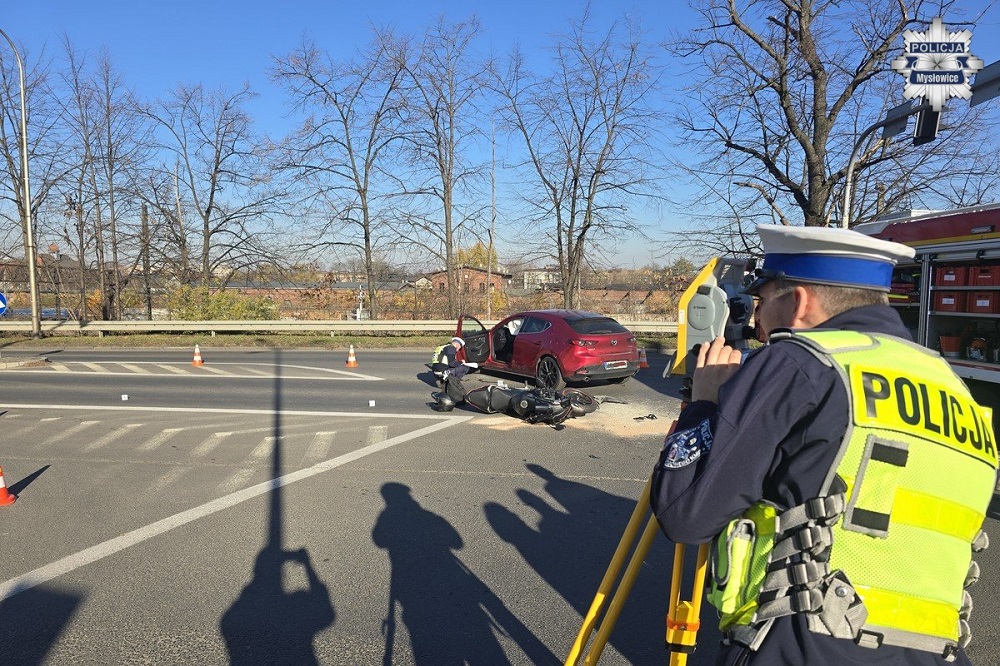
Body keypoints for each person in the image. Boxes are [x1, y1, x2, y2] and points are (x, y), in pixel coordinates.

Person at [651, 224, 997, 666]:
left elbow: (686, 515)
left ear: (796, 302)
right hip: (936, 650)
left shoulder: (799, 362)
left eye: (761, 302)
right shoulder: (956, 390)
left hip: (805, 640)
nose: (756, 321)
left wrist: (704, 404)